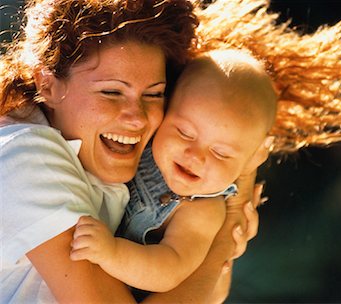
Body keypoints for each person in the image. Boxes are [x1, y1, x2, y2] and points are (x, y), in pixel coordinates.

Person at [0, 0, 261, 303]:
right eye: (111, 92)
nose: (137, 117)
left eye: (154, 94)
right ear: (48, 85)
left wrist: (205, 230)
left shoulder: (131, 165)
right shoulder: (26, 155)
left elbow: (210, 292)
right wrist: (225, 231)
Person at [69, 49, 277, 293]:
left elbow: (169, 269)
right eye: (184, 133)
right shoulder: (143, 142)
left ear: (254, 158)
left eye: (220, 153)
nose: (194, 156)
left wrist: (111, 252)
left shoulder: (203, 210)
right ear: (165, 111)